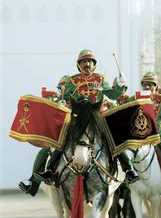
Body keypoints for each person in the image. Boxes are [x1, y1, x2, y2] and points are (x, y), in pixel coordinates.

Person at [35, 49, 139, 185]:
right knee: (62, 139)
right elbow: (64, 97)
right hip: (79, 117)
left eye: (89, 61)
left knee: (113, 138)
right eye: (84, 61)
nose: (87, 64)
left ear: (94, 64)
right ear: (79, 64)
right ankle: (49, 170)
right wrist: (60, 100)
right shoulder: (72, 80)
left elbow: (112, 95)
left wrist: (120, 86)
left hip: (97, 117)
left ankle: (129, 169)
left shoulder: (101, 79)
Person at [18, 76, 69, 196]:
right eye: (60, 88)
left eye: (64, 88)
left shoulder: (79, 100)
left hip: (81, 135)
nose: (62, 90)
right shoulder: (57, 101)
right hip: (61, 138)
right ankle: (33, 183)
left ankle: (120, 175)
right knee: (43, 152)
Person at [137, 71, 161, 199]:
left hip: (157, 133)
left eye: (150, 84)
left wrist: (155, 126)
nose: (147, 87)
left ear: (155, 86)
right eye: (145, 84)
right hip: (138, 133)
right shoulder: (135, 99)